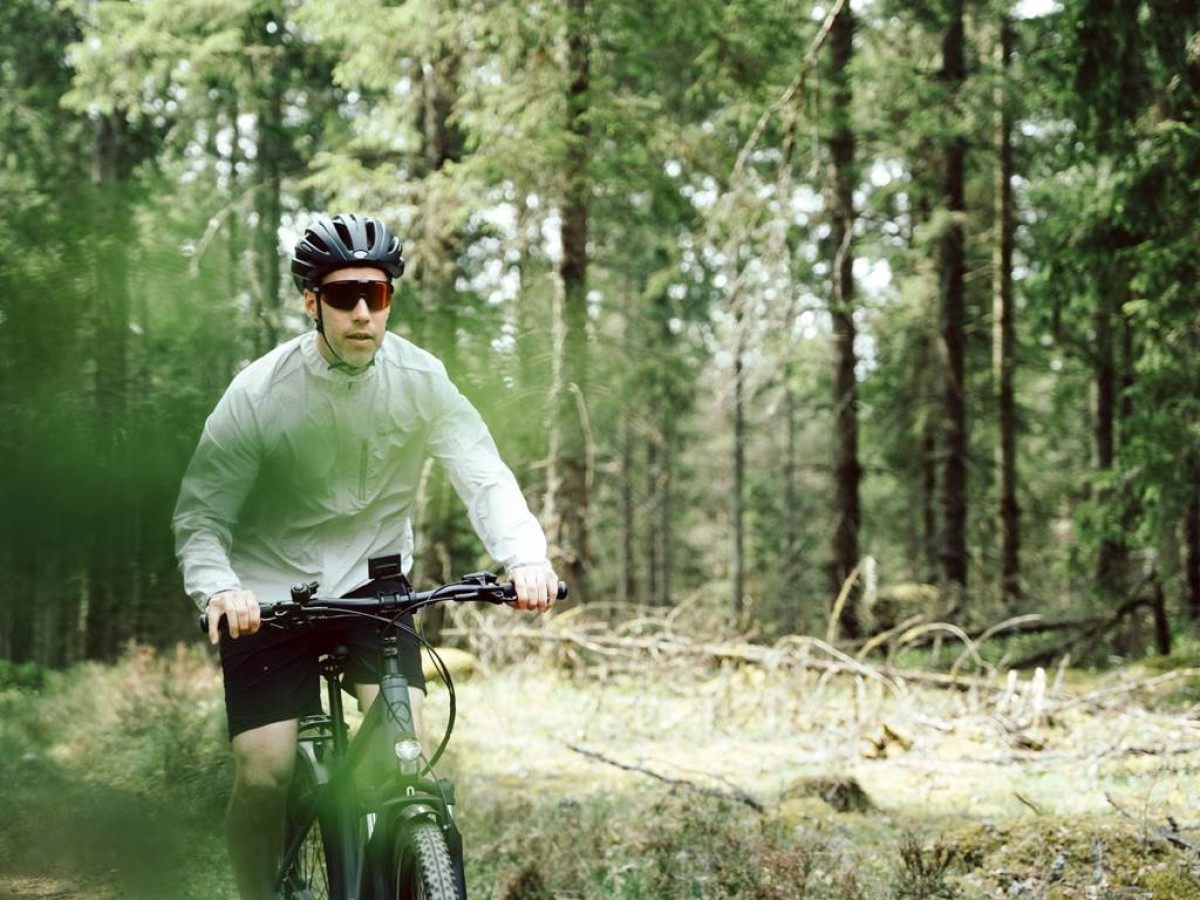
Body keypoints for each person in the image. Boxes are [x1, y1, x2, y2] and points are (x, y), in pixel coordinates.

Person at [172, 212, 558, 900]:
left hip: (375, 594)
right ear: (310, 302)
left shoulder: (421, 379)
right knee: (265, 771)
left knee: (399, 750)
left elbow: (482, 471)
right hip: (267, 598)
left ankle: (395, 863)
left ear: (389, 301)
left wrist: (526, 557)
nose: (359, 312)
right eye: (343, 295)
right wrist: (219, 589)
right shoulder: (261, 392)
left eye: (373, 296)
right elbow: (202, 512)